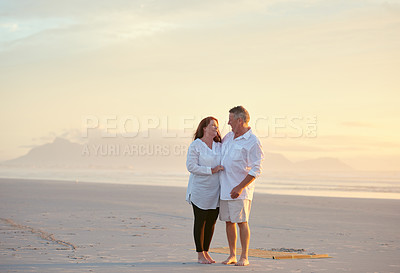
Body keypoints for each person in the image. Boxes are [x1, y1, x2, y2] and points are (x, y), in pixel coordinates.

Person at [219, 106, 264, 266]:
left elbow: (256, 168)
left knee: (242, 222)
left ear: (239, 120)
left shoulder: (252, 141)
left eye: (230, 119)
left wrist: (240, 187)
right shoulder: (228, 137)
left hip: (240, 191)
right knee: (229, 222)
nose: (228, 122)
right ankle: (232, 255)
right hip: (224, 188)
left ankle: (244, 257)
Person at [186, 117, 225, 264]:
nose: (216, 128)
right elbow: (191, 167)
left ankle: (206, 252)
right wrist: (211, 170)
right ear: (204, 128)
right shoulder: (196, 145)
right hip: (200, 189)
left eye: (217, 126)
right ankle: (200, 254)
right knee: (200, 221)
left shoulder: (219, 145)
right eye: (213, 126)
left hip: (215, 190)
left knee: (211, 222)